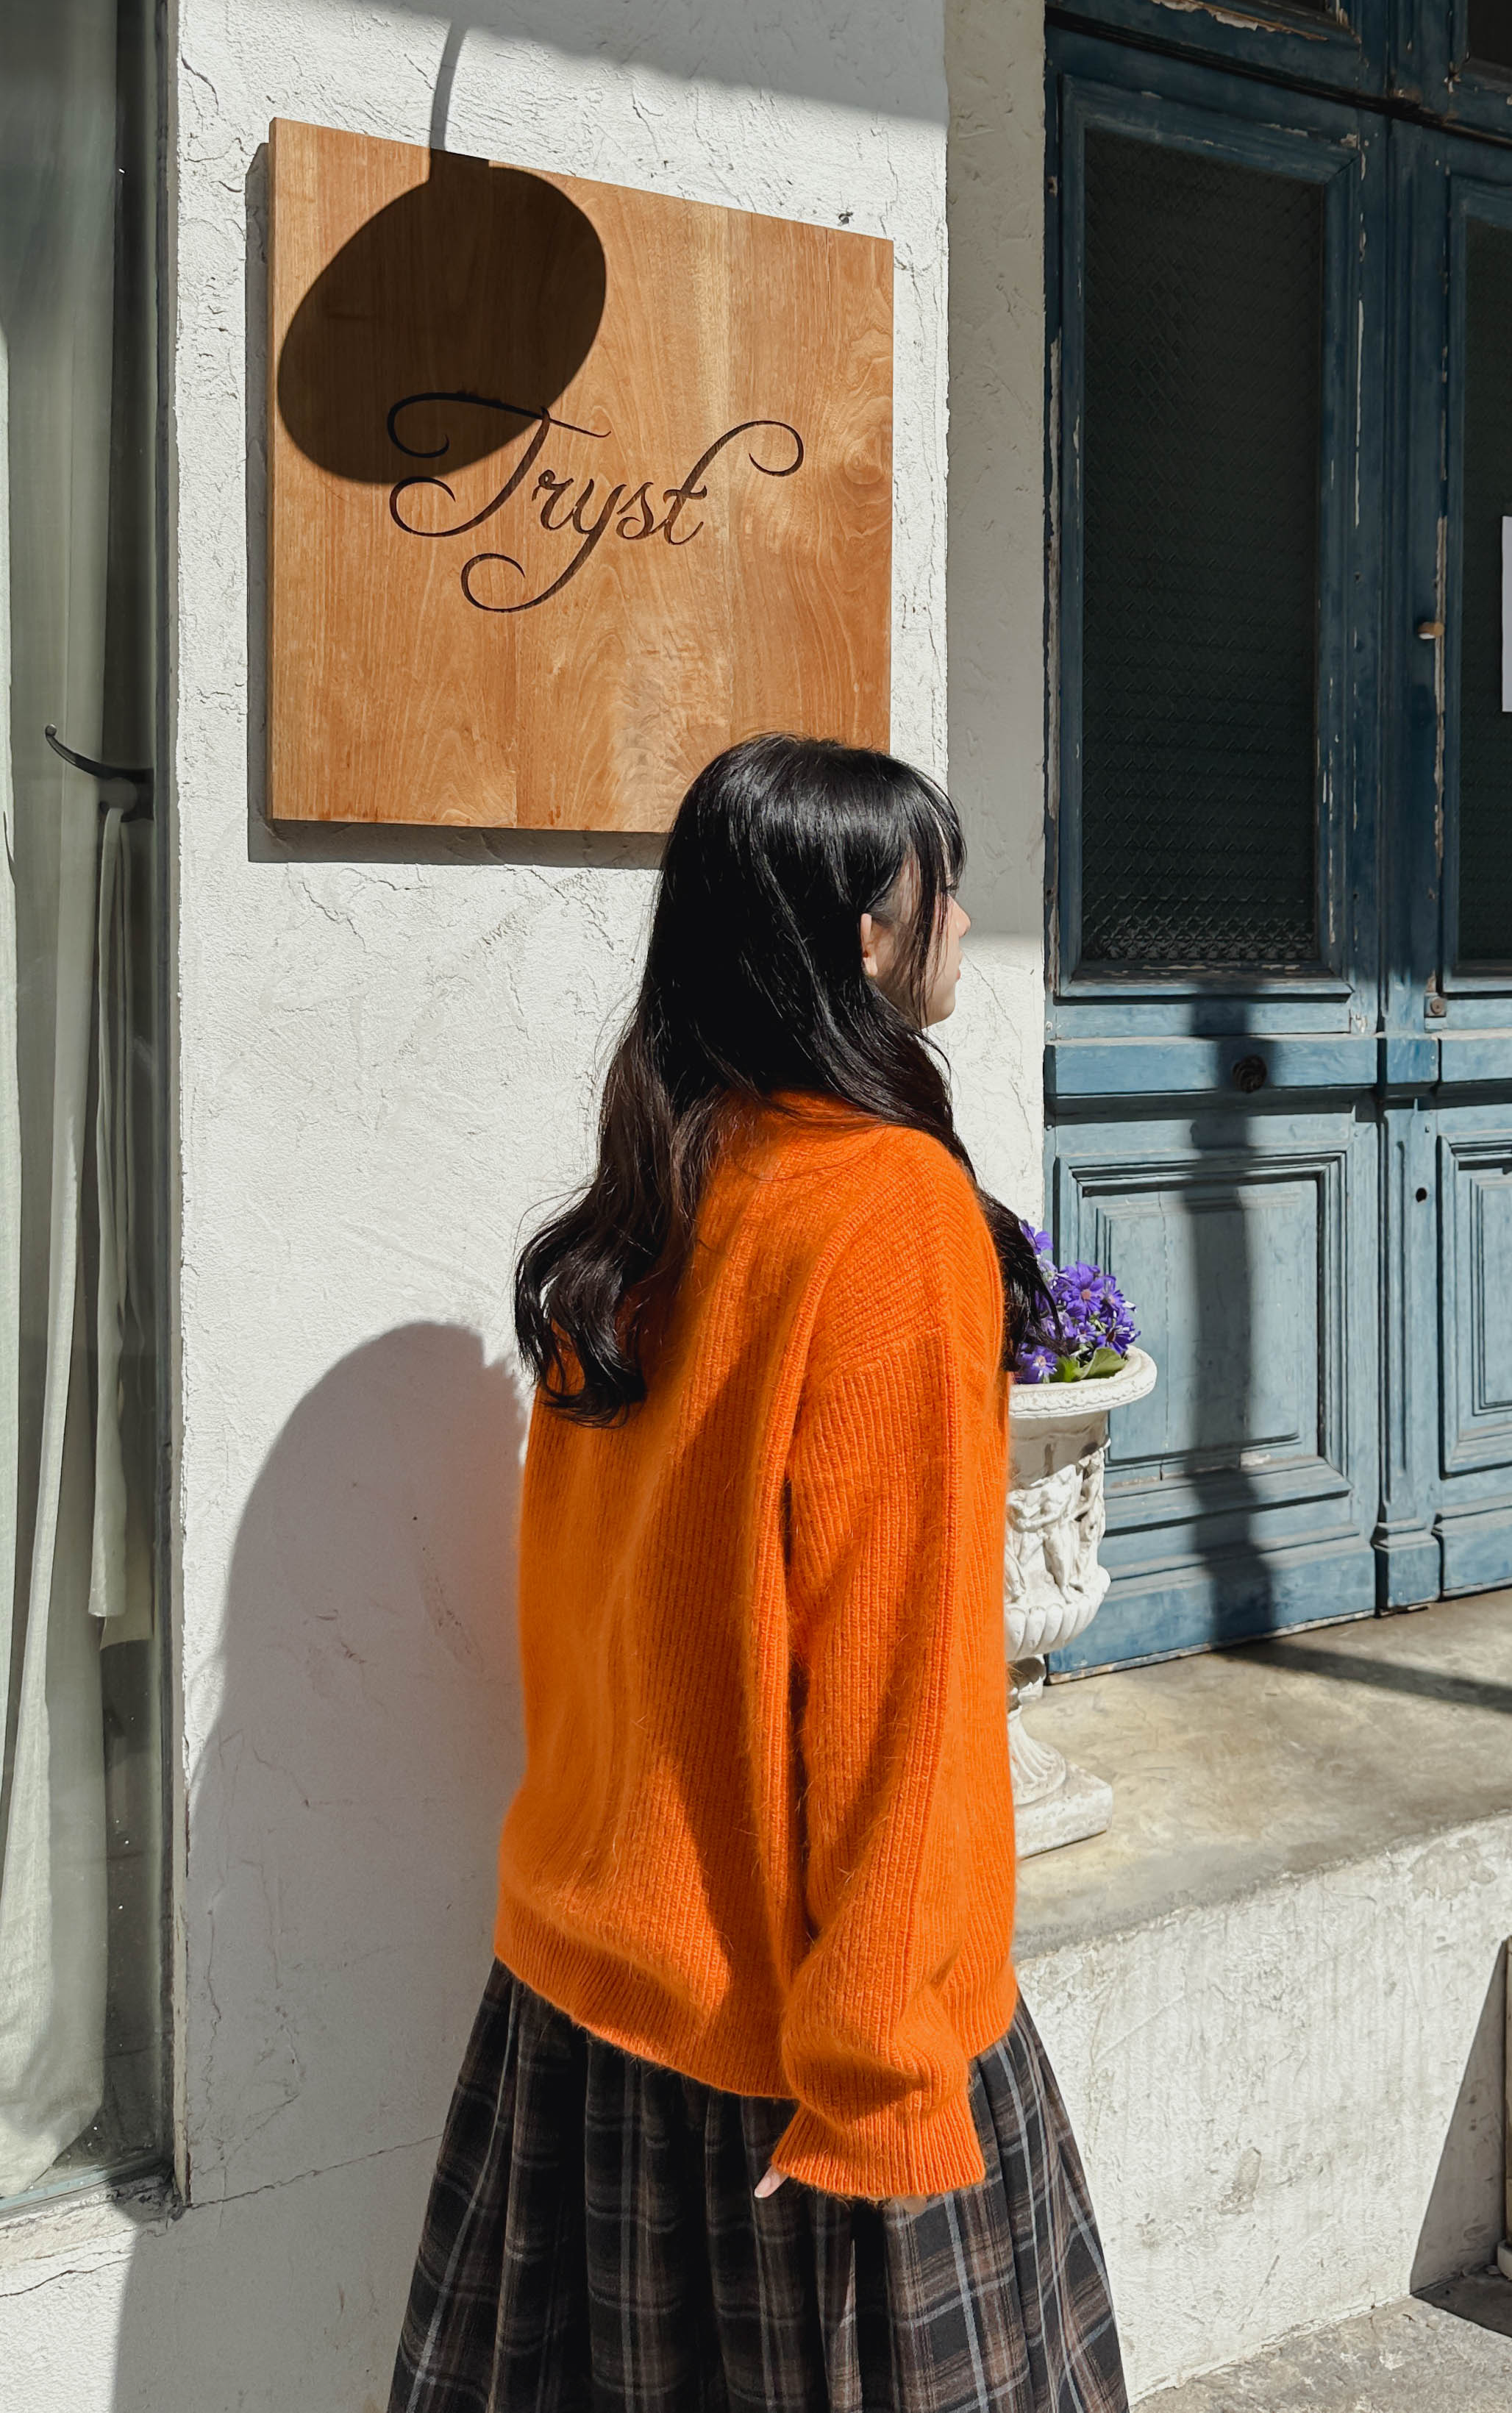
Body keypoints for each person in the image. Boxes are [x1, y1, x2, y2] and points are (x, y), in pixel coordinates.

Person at [388, 734, 1129, 2413]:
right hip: (793, 2039)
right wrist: (883, 2071)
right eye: (941, 885)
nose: (965, 918)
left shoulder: (661, 1185)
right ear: (866, 935)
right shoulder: (884, 1211)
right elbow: (900, 1686)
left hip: (583, 1997)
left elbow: (593, 1626)